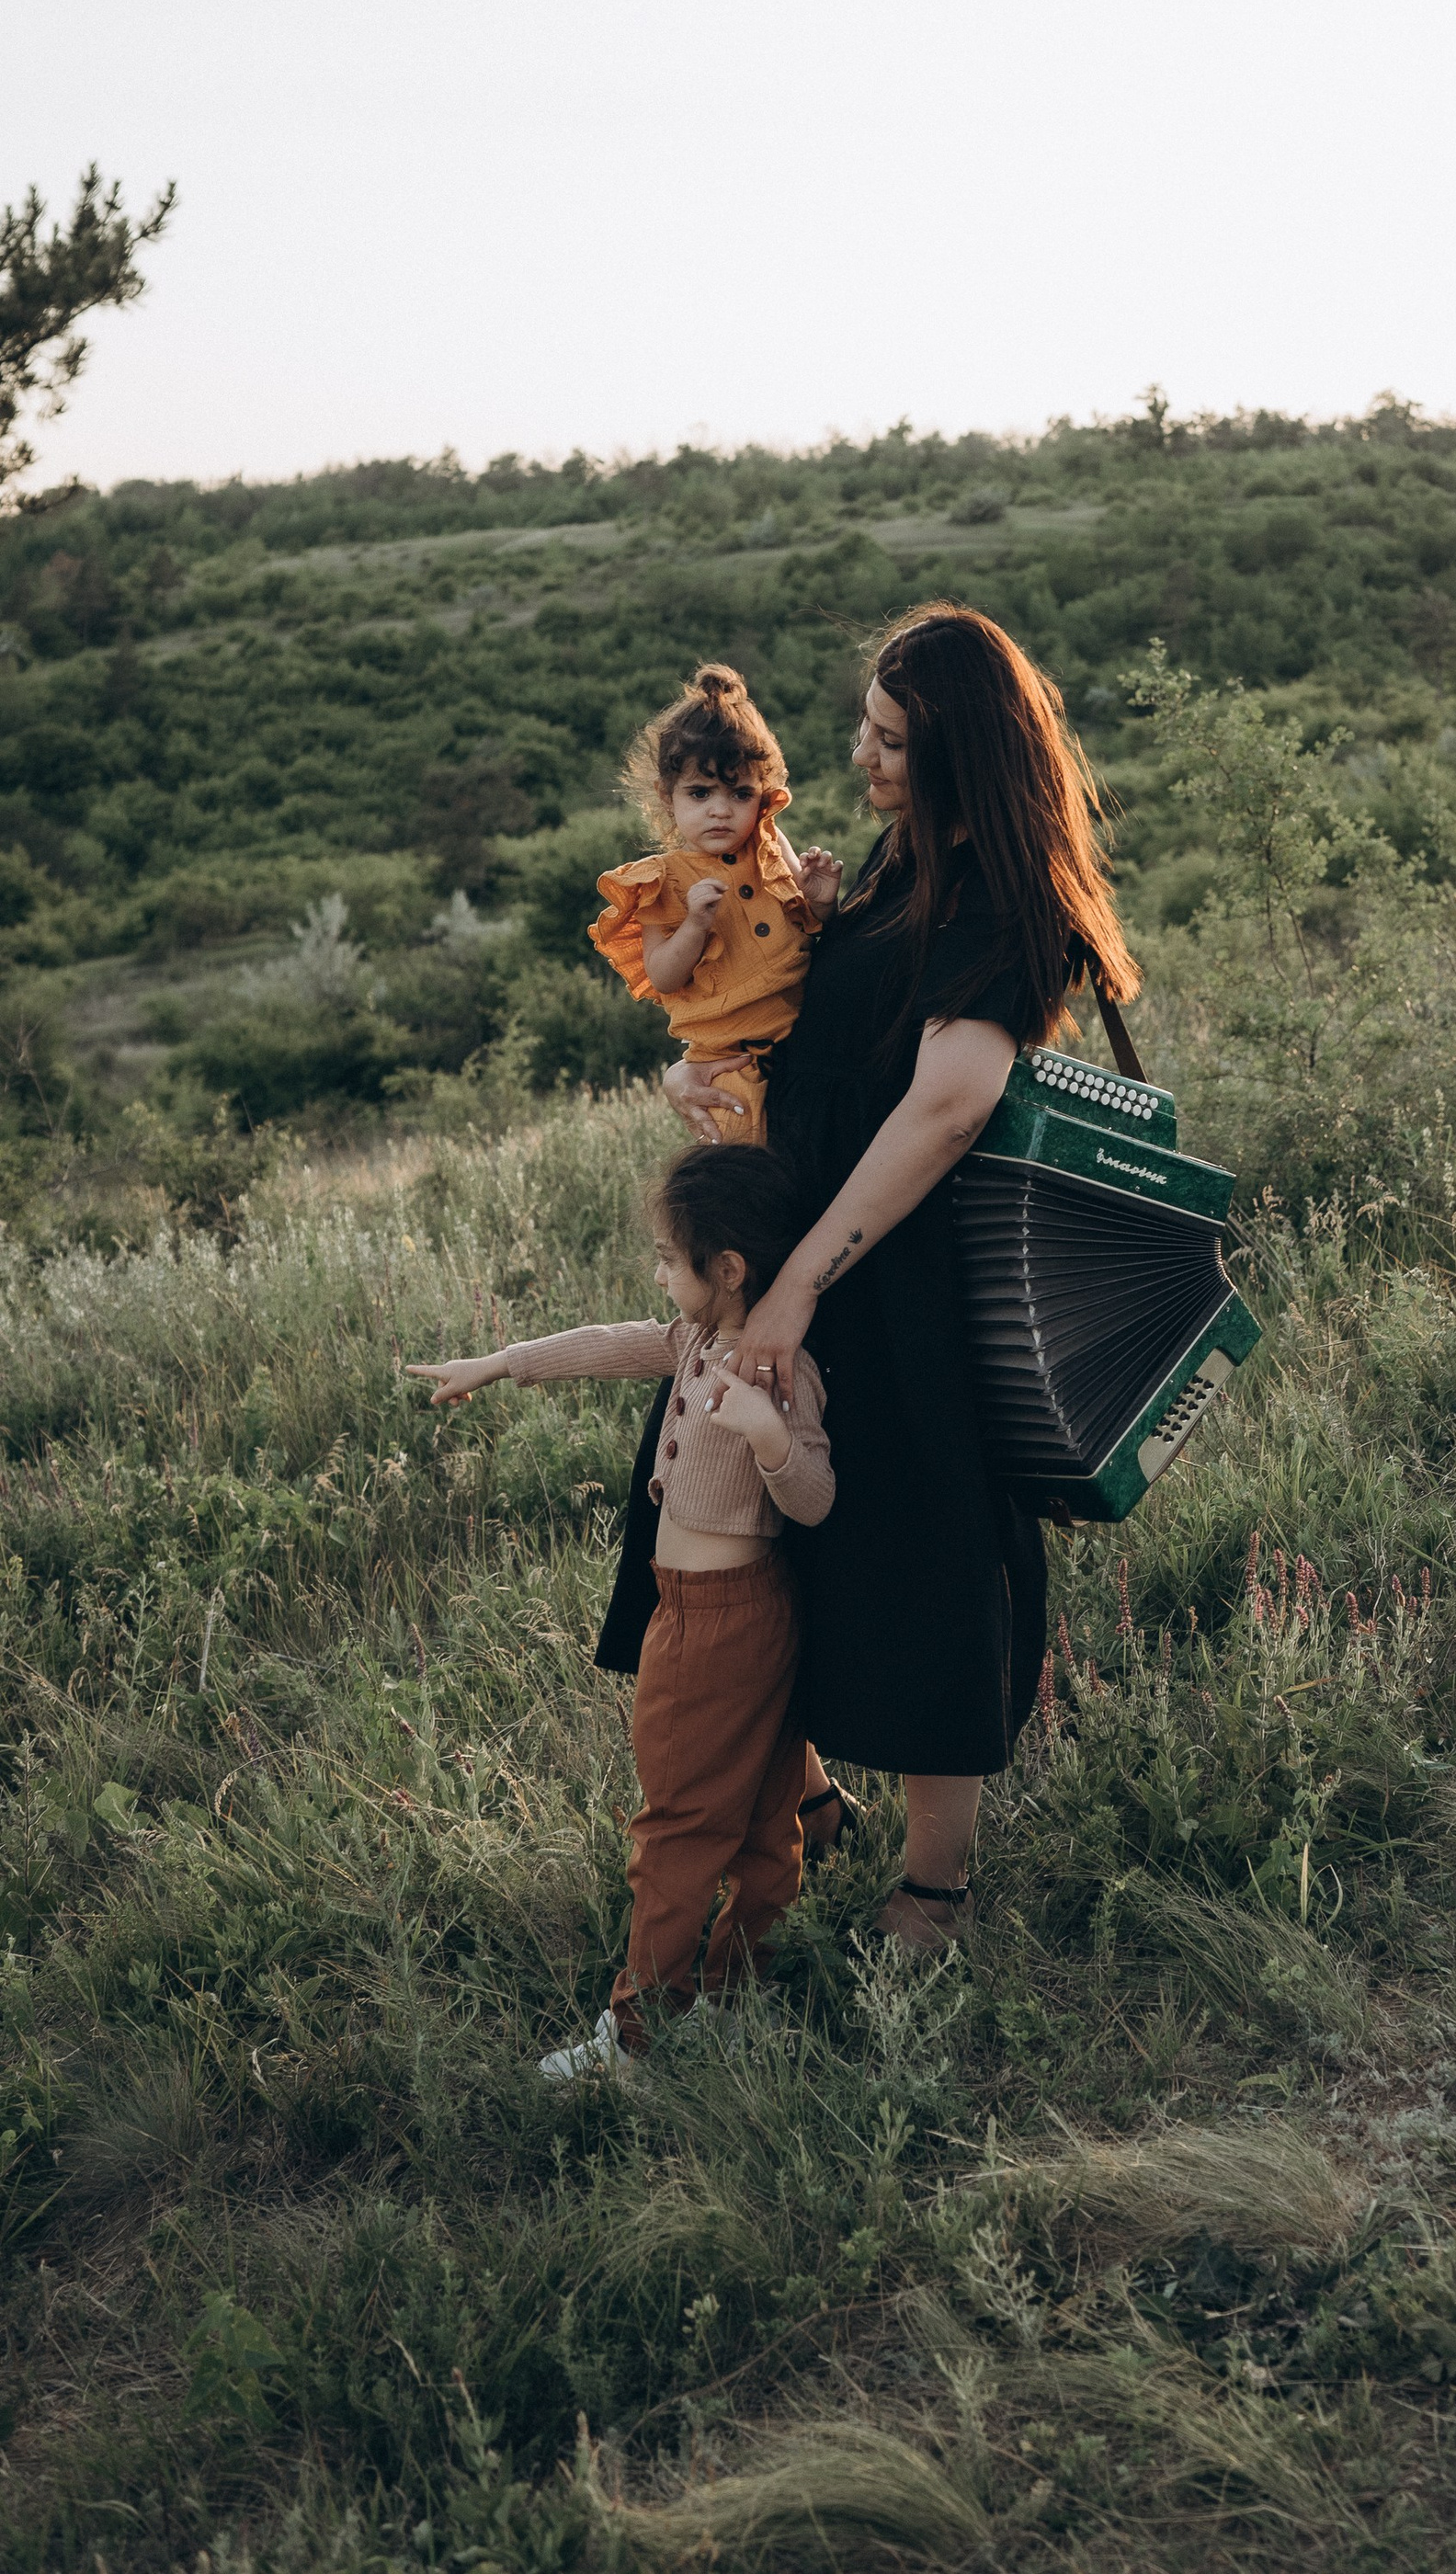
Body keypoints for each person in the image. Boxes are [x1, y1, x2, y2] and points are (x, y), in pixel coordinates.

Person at [664, 601, 1142, 1954]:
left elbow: (945, 1106)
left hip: (896, 1276)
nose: (861, 759)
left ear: (954, 755)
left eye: (887, 741)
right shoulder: (902, 853)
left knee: (924, 1558)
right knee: (734, 1524)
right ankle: (804, 1799)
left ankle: (937, 1885)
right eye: (866, 732)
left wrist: (805, 1281)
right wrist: (713, 1079)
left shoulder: (1005, 899)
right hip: (792, 1249)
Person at [406, 1144, 835, 2076]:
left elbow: (813, 1497)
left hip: (720, 1619)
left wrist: (768, 1439)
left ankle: (638, 2038)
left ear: (728, 1271)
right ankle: (728, 2001)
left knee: (682, 1825)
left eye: (668, 1260)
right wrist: (501, 1361)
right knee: (759, 1815)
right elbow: (610, 1342)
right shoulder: (692, 1341)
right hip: (716, 1613)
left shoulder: (778, 1371)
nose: (656, 1272)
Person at [589, 663, 842, 1145]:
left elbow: (811, 928)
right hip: (728, 1064)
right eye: (700, 793)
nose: (720, 810)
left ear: (762, 797)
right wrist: (694, 925)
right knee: (744, 1180)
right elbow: (663, 975)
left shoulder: (768, 844)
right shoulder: (662, 880)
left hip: (808, 1043)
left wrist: (823, 901)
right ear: (668, 797)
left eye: (740, 794)